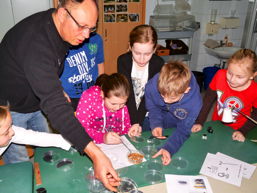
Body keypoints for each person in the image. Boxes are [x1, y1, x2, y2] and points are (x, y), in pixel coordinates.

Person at [0, 0, 119, 191]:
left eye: (92, 28)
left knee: (47, 155)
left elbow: (48, 69)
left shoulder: (58, 28)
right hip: (10, 109)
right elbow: (55, 106)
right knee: (20, 167)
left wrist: (55, 87)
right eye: (82, 26)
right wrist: (96, 154)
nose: (87, 35)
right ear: (63, 14)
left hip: (36, 102)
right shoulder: (35, 42)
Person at [191, 49, 257, 142]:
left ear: (252, 75)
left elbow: (255, 115)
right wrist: (199, 122)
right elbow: (207, 101)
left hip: (238, 129)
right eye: (229, 73)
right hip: (217, 124)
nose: (232, 79)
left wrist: (242, 131)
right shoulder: (220, 75)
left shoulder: (255, 90)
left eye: (239, 76)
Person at [145, 61, 202, 165]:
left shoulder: (194, 103)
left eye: (172, 97)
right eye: (162, 95)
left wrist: (169, 148)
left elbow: (184, 129)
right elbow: (153, 107)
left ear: (186, 90)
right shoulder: (152, 86)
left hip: (176, 126)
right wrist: (156, 123)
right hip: (156, 119)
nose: (166, 101)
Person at [117, 24, 164, 130]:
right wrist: (134, 122)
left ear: (154, 49)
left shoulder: (158, 63)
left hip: (147, 114)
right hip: (127, 111)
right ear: (130, 46)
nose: (142, 59)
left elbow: (149, 95)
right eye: (137, 53)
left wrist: (138, 122)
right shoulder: (123, 61)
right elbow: (127, 92)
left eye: (147, 54)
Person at [76, 73, 141, 144]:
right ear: (102, 94)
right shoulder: (89, 98)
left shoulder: (121, 101)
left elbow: (125, 127)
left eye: (122, 104)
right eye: (113, 104)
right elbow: (79, 129)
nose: (117, 108)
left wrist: (131, 131)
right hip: (91, 144)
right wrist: (102, 138)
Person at [0, 105, 71, 156]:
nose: (12, 132)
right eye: (6, 132)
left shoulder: (10, 131)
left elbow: (38, 138)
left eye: (11, 125)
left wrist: (73, 139)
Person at [60, 32, 104, 111]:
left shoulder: (96, 39)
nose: (87, 33)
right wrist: (60, 91)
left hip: (92, 93)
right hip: (69, 96)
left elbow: (100, 63)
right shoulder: (62, 42)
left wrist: (101, 87)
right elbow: (51, 71)